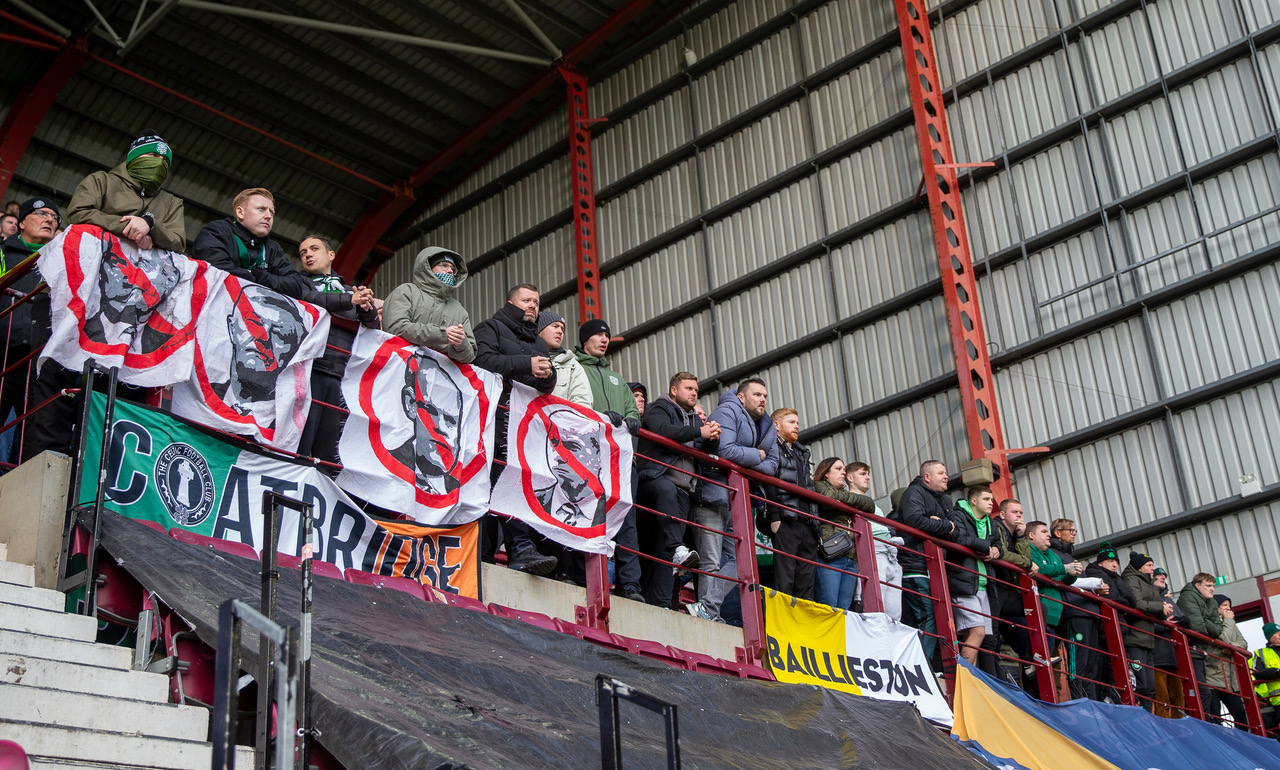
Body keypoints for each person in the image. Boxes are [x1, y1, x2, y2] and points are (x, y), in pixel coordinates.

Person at [473, 284, 558, 576]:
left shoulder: (539, 344)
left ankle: (513, 550)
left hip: (524, 427)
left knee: (513, 483)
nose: (533, 305)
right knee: (494, 482)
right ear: (510, 302)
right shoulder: (490, 328)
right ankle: (516, 550)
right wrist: (527, 364)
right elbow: (481, 361)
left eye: (536, 301)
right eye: (527, 300)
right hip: (491, 419)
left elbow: (546, 386)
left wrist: (547, 376)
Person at [193, 188, 373, 315]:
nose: (269, 216)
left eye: (271, 212)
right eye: (261, 209)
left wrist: (257, 276)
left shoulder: (272, 247)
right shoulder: (217, 231)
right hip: (211, 310)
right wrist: (266, 279)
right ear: (240, 212)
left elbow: (294, 285)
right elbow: (216, 268)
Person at [571, 318, 644, 598]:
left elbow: (632, 411)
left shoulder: (617, 379)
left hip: (623, 462)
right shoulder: (575, 370)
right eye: (598, 335)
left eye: (606, 336)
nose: (604, 340)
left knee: (627, 522)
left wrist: (632, 419)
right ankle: (583, 578)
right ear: (585, 340)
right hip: (589, 455)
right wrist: (600, 417)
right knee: (587, 514)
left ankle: (631, 586)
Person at [635, 372, 720, 608]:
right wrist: (699, 432)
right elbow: (663, 431)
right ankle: (674, 551)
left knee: (666, 553)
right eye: (688, 388)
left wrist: (712, 436)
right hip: (656, 479)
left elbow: (706, 447)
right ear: (674, 390)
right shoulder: (658, 408)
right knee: (656, 544)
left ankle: (662, 603)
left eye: (696, 389)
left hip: (683, 490)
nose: (694, 393)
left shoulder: (694, 419)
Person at [293, 235, 379, 466]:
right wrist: (349, 299)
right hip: (312, 369)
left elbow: (372, 327)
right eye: (303, 253)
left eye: (314, 249)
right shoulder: (300, 283)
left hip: (343, 375)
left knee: (331, 445)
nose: (308, 255)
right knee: (302, 441)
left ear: (331, 255)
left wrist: (366, 307)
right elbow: (312, 299)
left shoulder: (347, 289)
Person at [697, 378, 779, 590]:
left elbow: (772, 466)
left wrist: (746, 461)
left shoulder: (767, 424)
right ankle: (705, 610)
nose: (763, 400)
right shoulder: (726, 412)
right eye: (757, 395)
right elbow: (725, 451)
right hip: (713, 494)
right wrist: (757, 455)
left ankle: (708, 606)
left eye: (765, 396)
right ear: (741, 397)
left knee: (743, 563)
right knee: (711, 561)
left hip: (740, 499)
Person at [2, 199, 60, 461]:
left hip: (40, 362)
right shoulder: (3, 253)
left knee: (33, 434)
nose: (49, 219)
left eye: (54, 217)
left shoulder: (61, 262)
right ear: (22, 222)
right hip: (3, 352)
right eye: (41, 214)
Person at [67, 130, 186, 252]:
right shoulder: (101, 180)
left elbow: (178, 242)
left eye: (165, 160)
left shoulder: (172, 203)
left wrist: (150, 224)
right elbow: (77, 214)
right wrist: (131, 228)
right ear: (134, 157)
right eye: (153, 155)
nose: (160, 162)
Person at [895, 460, 956, 665]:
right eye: (941, 472)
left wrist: (942, 524)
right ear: (927, 477)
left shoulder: (945, 501)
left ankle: (909, 663)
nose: (946, 476)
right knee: (928, 614)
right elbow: (915, 521)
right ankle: (922, 666)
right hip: (916, 564)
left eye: (945, 472)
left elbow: (955, 529)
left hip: (935, 568)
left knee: (916, 618)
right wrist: (943, 525)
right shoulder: (914, 494)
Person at [381, 246, 475, 363]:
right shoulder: (406, 291)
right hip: (398, 369)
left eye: (453, 269)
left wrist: (461, 343)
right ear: (428, 268)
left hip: (436, 379)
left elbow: (470, 356)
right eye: (443, 265)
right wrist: (443, 334)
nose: (450, 271)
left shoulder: (459, 310)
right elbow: (395, 328)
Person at [763, 407, 819, 601]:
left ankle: (801, 628)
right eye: (791, 422)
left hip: (807, 523)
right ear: (776, 425)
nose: (797, 426)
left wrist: (815, 524)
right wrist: (774, 516)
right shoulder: (772, 448)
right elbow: (768, 482)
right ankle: (781, 627)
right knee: (784, 578)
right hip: (786, 520)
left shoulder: (802, 453)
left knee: (806, 582)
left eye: (797, 422)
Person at [946, 485, 1002, 669]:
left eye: (992, 500)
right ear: (974, 501)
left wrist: (996, 551)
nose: (991, 503)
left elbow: (998, 545)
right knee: (977, 632)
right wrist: (986, 547)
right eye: (986, 499)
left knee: (981, 635)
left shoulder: (990, 522)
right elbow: (959, 538)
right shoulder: (958, 515)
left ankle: (972, 677)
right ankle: (966, 676)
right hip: (964, 583)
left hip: (984, 585)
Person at [1073, 543, 1134, 701]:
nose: (1114, 565)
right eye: (1109, 561)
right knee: (1100, 670)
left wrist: (1122, 600)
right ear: (1100, 562)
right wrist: (1123, 601)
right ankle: (1101, 700)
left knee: (1114, 671)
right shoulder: (1094, 572)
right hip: (1103, 630)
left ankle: (1110, 699)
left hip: (1116, 630)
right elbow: (1111, 596)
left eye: (1116, 562)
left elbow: (1131, 600)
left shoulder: (1117, 578)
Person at [811, 458, 873, 610]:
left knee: (844, 610)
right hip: (830, 555)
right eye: (838, 469)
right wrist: (853, 501)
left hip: (850, 558)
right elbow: (830, 498)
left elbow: (869, 504)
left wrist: (843, 500)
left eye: (844, 470)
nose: (843, 472)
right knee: (828, 607)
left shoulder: (843, 493)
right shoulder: (818, 485)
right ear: (826, 473)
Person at [847, 462, 902, 620]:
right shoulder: (849, 500)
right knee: (876, 606)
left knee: (894, 612)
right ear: (850, 477)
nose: (868, 477)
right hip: (873, 552)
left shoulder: (873, 505)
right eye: (863, 473)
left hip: (890, 555)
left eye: (868, 474)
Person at [1121, 551, 1173, 711]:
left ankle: (1147, 717)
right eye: (1149, 565)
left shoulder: (1148, 582)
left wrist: (1164, 611)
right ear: (1139, 567)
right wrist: (1160, 607)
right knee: (1140, 684)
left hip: (1147, 640)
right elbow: (1137, 603)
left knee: (1150, 686)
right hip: (1135, 639)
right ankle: (1139, 716)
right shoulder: (1131, 580)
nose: (1152, 569)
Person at [990, 499, 1034, 679]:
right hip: (994, 587)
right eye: (1015, 512)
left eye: (1021, 513)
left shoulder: (1015, 534)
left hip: (1009, 590)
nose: (1019, 516)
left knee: (1040, 608)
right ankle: (991, 675)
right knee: (991, 635)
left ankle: (1030, 660)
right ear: (1002, 515)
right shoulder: (995, 527)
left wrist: (1020, 537)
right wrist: (1027, 563)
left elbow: (1026, 558)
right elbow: (1003, 554)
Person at [1177, 572, 1224, 716]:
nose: (1212, 589)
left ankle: (1203, 724)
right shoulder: (1188, 597)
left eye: (1213, 586)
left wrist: (1205, 622)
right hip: (1189, 651)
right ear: (1197, 586)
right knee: (1201, 692)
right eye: (1208, 585)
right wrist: (1207, 624)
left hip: (1199, 653)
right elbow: (1197, 627)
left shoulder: (1213, 602)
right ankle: (1201, 725)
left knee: (1203, 692)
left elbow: (1217, 631)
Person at [1026, 520, 1078, 640]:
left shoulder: (1053, 555)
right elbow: (1039, 569)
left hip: (1054, 617)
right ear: (1031, 535)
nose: (1048, 534)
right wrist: (1064, 568)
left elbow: (1062, 580)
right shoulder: (1027, 549)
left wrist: (1072, 574)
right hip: (1038, 614)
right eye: (1044, 532)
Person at [1207, 595, 1249, 729]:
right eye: (1224, 605)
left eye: (1229, 605)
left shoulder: (1230, 623)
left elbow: (1244, 644)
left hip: (1231, 680)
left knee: (1241, 716)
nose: (1229, 608)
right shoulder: (1213, 622)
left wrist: (1230, 647)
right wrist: (1229, 621)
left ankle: (1240, 743)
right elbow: (1223, 638)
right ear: (1216, 607)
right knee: (1215, 717)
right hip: (1212, 678)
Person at [1151, 566, 1187, 718]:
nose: (1163, 577)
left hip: (1174, 656)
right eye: (1158, 575)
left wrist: (1183, 621)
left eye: (1164, 575)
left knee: (1179, 698)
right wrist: (1166, 623)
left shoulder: (1168, 598)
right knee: (1162, 698)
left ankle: (1181, 732)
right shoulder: (1149, 598)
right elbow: (1144, 624)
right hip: (1157, 657)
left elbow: (1185, 620)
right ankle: (1166, 731)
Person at [534, 312, 591, 406]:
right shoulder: (524, 358)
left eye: (562, 329)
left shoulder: (573, 366)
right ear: (539, 330)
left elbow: (583, 404)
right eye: (555, 326)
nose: (560, 331)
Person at [1251, 622, 1280, 732]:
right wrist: (1277, 672)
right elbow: (1257, 672)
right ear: (1269, 636)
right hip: (1278, 701)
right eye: (1277, 632)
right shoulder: (1260, 653)